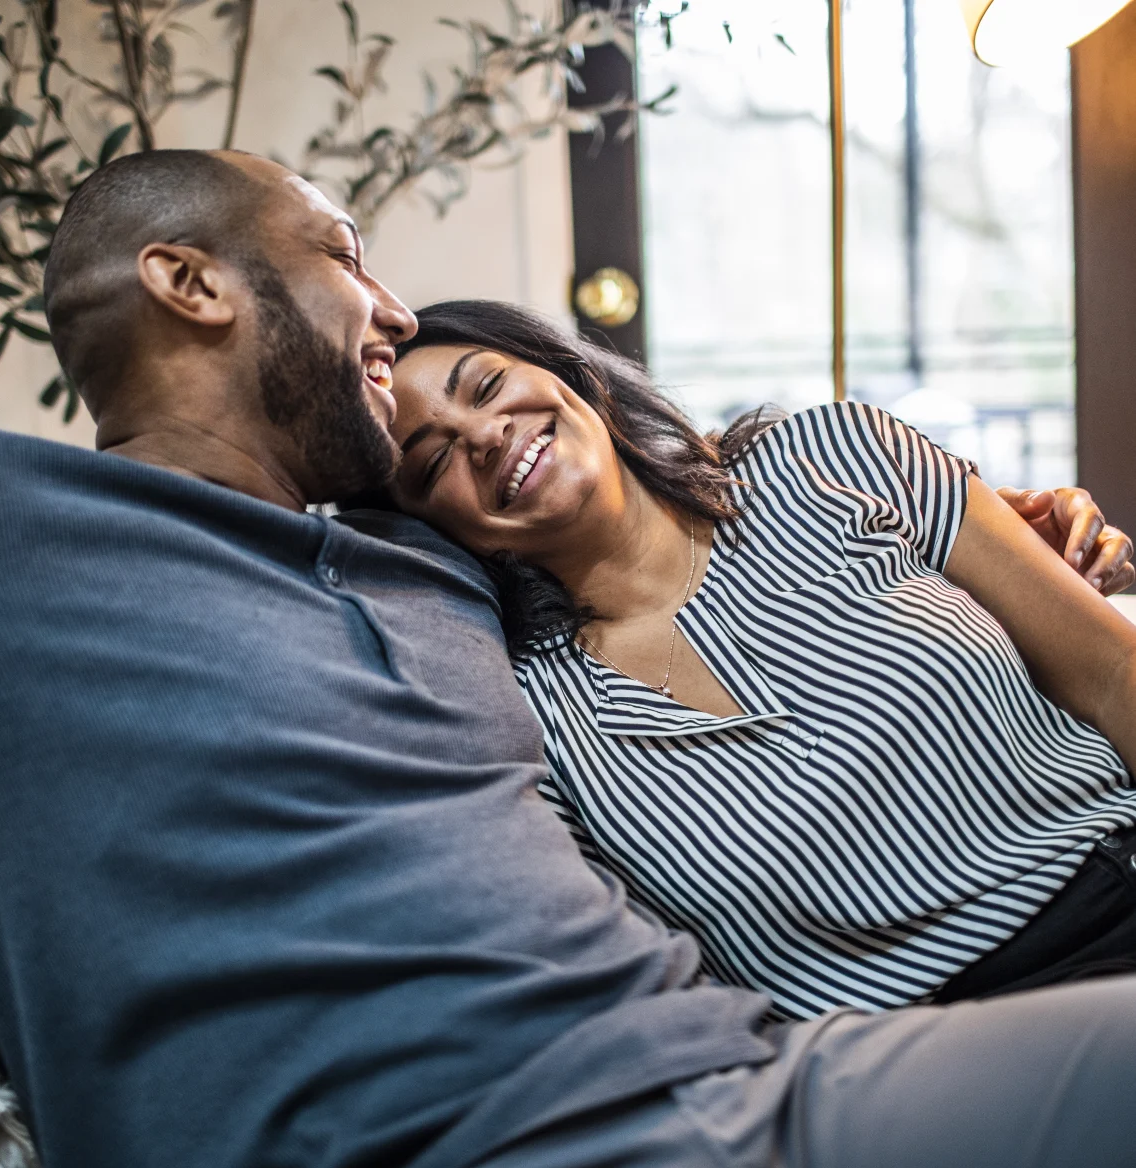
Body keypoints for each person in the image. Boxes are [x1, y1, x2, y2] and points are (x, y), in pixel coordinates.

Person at [0, 149, 1136, 1168]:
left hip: (748, 1068)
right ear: (188, 281)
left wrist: (999, 533)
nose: (388, 310)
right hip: (744, 1074)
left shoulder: (414, 578)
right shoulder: (18, 539)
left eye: (481, 383)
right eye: (346, 252)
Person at [382, 299, 1136, 1020]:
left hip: (1109, 900)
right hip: (886, 1071)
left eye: (486, 385)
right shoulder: (527, 711)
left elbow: (1111, 674)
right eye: (434, 460)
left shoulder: (835, 456)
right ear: (440, 530)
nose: (483, 435)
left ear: (566, 373)